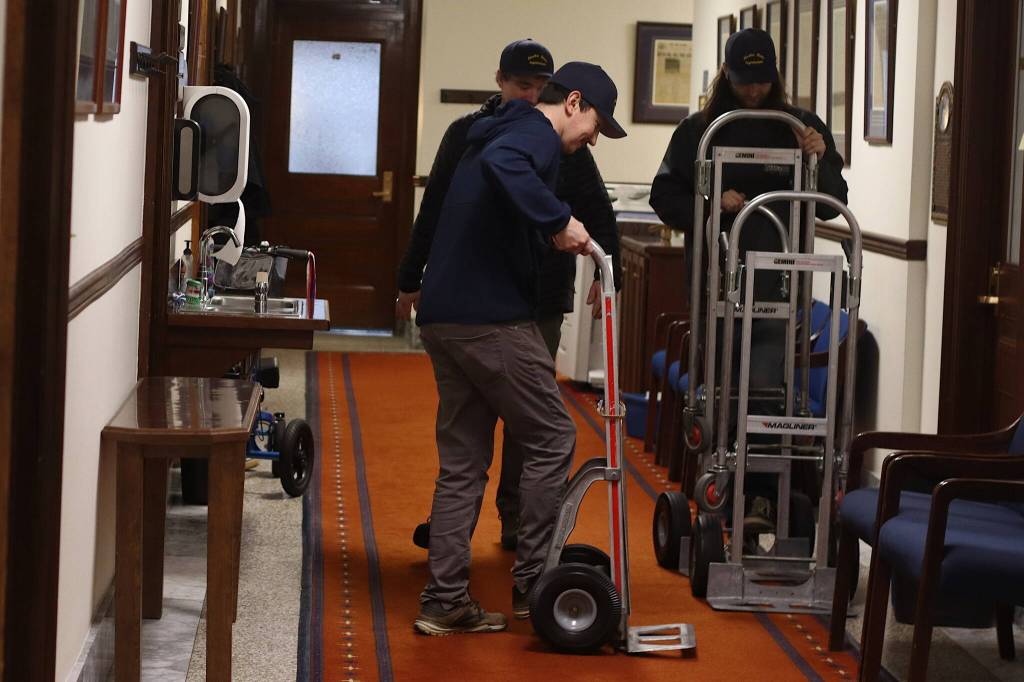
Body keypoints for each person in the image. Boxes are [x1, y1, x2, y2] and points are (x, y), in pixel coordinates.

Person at [411, 62, 626, 636]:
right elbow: (512, 170)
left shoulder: (494, 129)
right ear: (573, 102)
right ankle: (537, 581)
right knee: (554, 435)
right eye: (596, 125)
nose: (593, 140)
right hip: (488, 320)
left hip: (444, 316)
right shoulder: (533, 133)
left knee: (463, 463)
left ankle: (445, 601)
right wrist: (559, 220)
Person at [649, 28, 848, 535]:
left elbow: (832, 197)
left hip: (779, 285)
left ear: (774, 75)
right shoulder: (700, 130)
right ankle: (719, 483)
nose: (753, 92)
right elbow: (663, 197)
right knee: (719, 389)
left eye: (761, 82)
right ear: (727, 74)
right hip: (714, 282)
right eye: (743, 81)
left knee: (763, 390)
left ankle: (756, 498)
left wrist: (819, 155)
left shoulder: (798, 126)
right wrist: (714, 205)